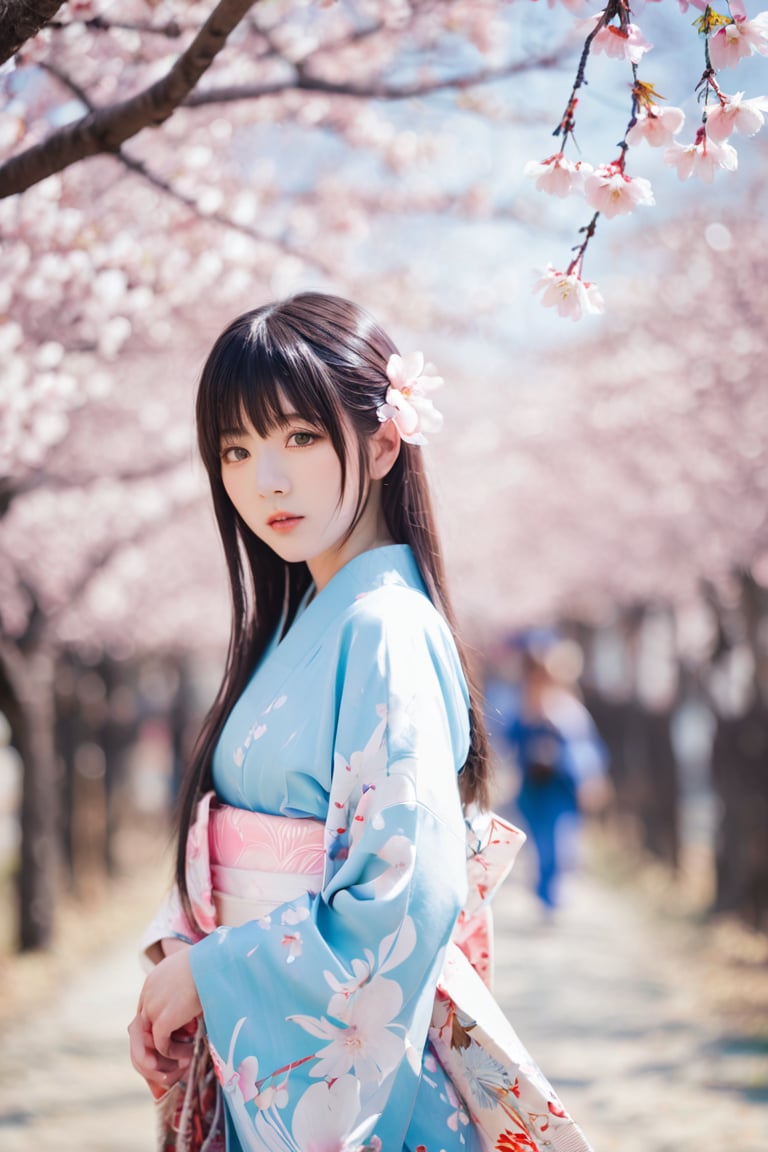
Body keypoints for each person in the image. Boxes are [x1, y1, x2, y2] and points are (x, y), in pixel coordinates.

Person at [128, 293, 594, 1152]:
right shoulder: (305, 616)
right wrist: (181, 966)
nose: (263, 480)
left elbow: (402, 894)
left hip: (341, 1063)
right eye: (236, 449)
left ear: (383, 441)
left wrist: (216, 971)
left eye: (299, 437)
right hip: (265, 1043)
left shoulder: (383, 624)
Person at [505, 633, 611, 916]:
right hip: (533, 787)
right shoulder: (526, 706)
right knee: (540, 844)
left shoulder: (569, 710)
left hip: (560, 787)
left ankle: (551, 896)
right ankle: (544, 894)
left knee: (560, 843)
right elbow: (511, 740)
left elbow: (586, 751)